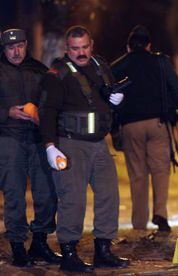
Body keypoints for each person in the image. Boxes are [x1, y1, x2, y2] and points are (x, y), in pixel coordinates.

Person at [38, 25, 129, 273]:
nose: (81, 53)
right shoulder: (57, 74)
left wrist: (116, 100)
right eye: (75, 48)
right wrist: (50, 147)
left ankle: (103, 250)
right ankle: (69, 254)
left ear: (92, 45)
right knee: (72, 199)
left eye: (85, 47)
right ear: (67, 49)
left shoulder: (100, 65)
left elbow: (106, 93)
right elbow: (46, 113)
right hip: (70, 143)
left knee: (109, 196)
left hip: (99, 143)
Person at [111, 25, 178, 232]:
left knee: (138, 175)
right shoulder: (161, 62)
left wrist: (112, 127)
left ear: (128, 47)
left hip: (130, 126)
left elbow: (108, 96)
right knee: (161, 170)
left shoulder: (117, 66)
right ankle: (160, 213)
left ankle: (139, 223)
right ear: (149, 45)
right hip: (158, 123)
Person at [0, 28, 61, 267]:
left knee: (47, 192)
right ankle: (17, 246)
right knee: (14, 194)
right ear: (3, 49)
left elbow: (51, 103)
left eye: (20, 46)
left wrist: (41, 115)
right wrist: (7, 112)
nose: (16, 52)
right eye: (10, 47)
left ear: (26, 45)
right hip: (9, 138)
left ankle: (39, 242)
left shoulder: (39, 70)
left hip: (37, 139)